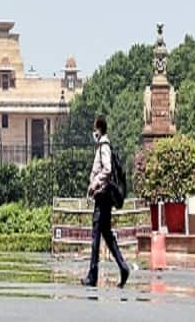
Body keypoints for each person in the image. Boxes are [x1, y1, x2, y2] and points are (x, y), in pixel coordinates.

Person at [81, 116, 130, 288]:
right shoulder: (103, 146)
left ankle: (92, 275)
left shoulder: (103, 146)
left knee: (96, 234)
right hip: (103, 196)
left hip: (102, 196)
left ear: (99, 129)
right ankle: (123, 267)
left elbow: (107, 169)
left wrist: (94, 184)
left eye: (94, 129)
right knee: (107, 235)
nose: (93, 133)